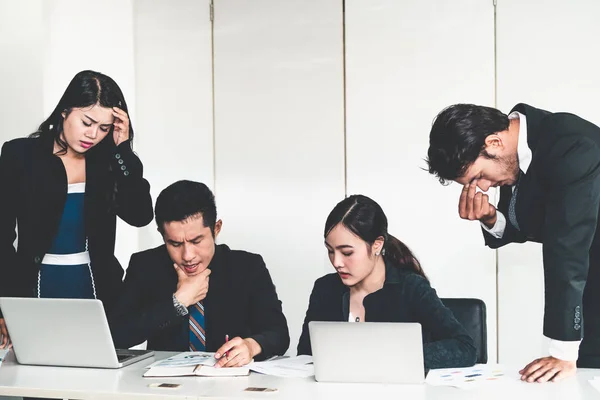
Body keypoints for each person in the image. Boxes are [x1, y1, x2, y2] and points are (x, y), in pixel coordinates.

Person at [427, 103, 600, 382]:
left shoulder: (571, 145)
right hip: (589, 297)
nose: (483, 187)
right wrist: (491, 217)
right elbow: (531, 224)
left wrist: (562, 350)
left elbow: (566, 247)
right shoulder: (516, 154)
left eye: (479, 176)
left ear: (494, 142)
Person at [0, 70, 153, 349]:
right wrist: (5, 304)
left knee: (94, 384)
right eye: (87, 122)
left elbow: (140, 215)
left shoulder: (109, 161)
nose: (93, 135)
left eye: (104, 128)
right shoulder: (19, 155)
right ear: (65, 110)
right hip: (35, 287)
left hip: (95, 288)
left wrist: (123, 151)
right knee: (38, 382)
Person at [109, 180, 289, 367]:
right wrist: (176, 303)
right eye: (175, 244)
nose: (187, 256)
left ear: (216, 228)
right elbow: (116, 336)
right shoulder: (145, 266)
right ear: (162, 235)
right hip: (163, 387)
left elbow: (278, 333)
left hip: (230, 383)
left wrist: (251, 346)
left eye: (196, 241)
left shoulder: (247, 266)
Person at [297, 195, 477, 370]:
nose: (336, 262)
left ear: (377, 244)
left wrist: (396, 356)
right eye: (330, 251)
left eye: (347, 253)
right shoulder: (325, 289)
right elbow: (305, 356)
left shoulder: (411, 288)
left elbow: (465, 348)